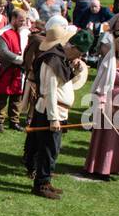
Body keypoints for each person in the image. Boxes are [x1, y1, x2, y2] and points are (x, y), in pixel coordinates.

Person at [26, 16, 89, 199]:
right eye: (79, 54)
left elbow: (65, 83)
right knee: (48, 149)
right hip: (50, 111)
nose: (80, 58)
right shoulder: (53, 59)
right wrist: (53, 117)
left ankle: (45, 181)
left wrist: (76, 70)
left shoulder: (60, 59)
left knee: (49, 148)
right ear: (73, 48)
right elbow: (51, 90)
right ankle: (41, 185)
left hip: (53, 110)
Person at [83, 26, 119, 179]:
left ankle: (118, 166)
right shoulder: (110, 61)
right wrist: (101, 103)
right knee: (109, 136)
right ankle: (102, 168)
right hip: (111, 103)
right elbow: (102, 84)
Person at [0, 9, 30, 133]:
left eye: (24, 20)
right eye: (21, 20)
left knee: (17, 97)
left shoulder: (23, 32)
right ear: (13, 18)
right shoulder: (2, 34)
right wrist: (18, 59)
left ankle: (14, 121)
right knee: (2, 96)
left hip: (19, 71)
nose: (23, 23)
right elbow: (3, 52)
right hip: (6, 69)